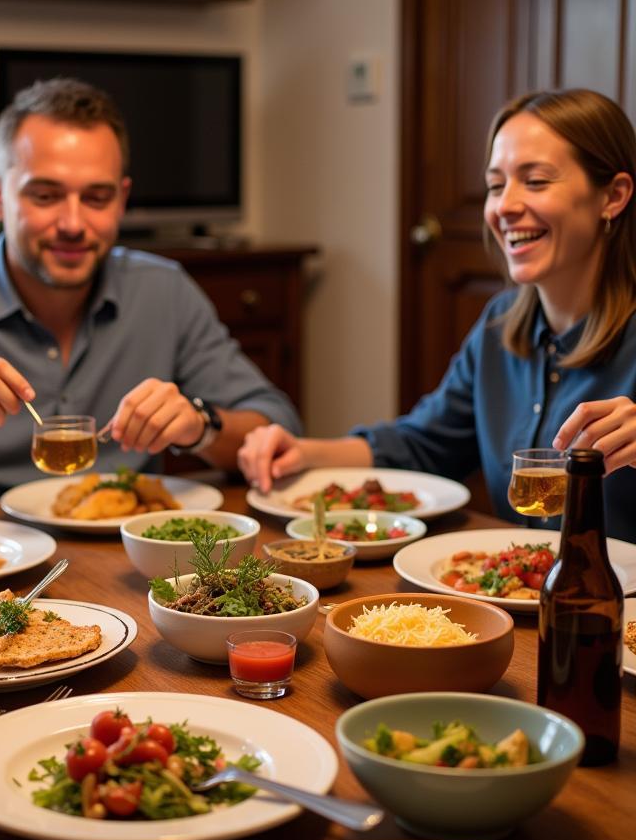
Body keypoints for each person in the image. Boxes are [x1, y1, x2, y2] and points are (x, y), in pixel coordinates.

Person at [0, 77, 301, 514]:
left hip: (132, 571)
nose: (73, 223)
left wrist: (201, 426)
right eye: (45, 195)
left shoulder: (164, 290)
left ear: (122, 199)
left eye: (97, 198)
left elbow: (276, 432)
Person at [238, 87, 636, 542]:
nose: (504, 206)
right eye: (495, 185)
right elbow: (423, 443)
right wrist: (305, 452)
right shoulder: (498, 325)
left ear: (614, 195)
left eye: (537, 181)